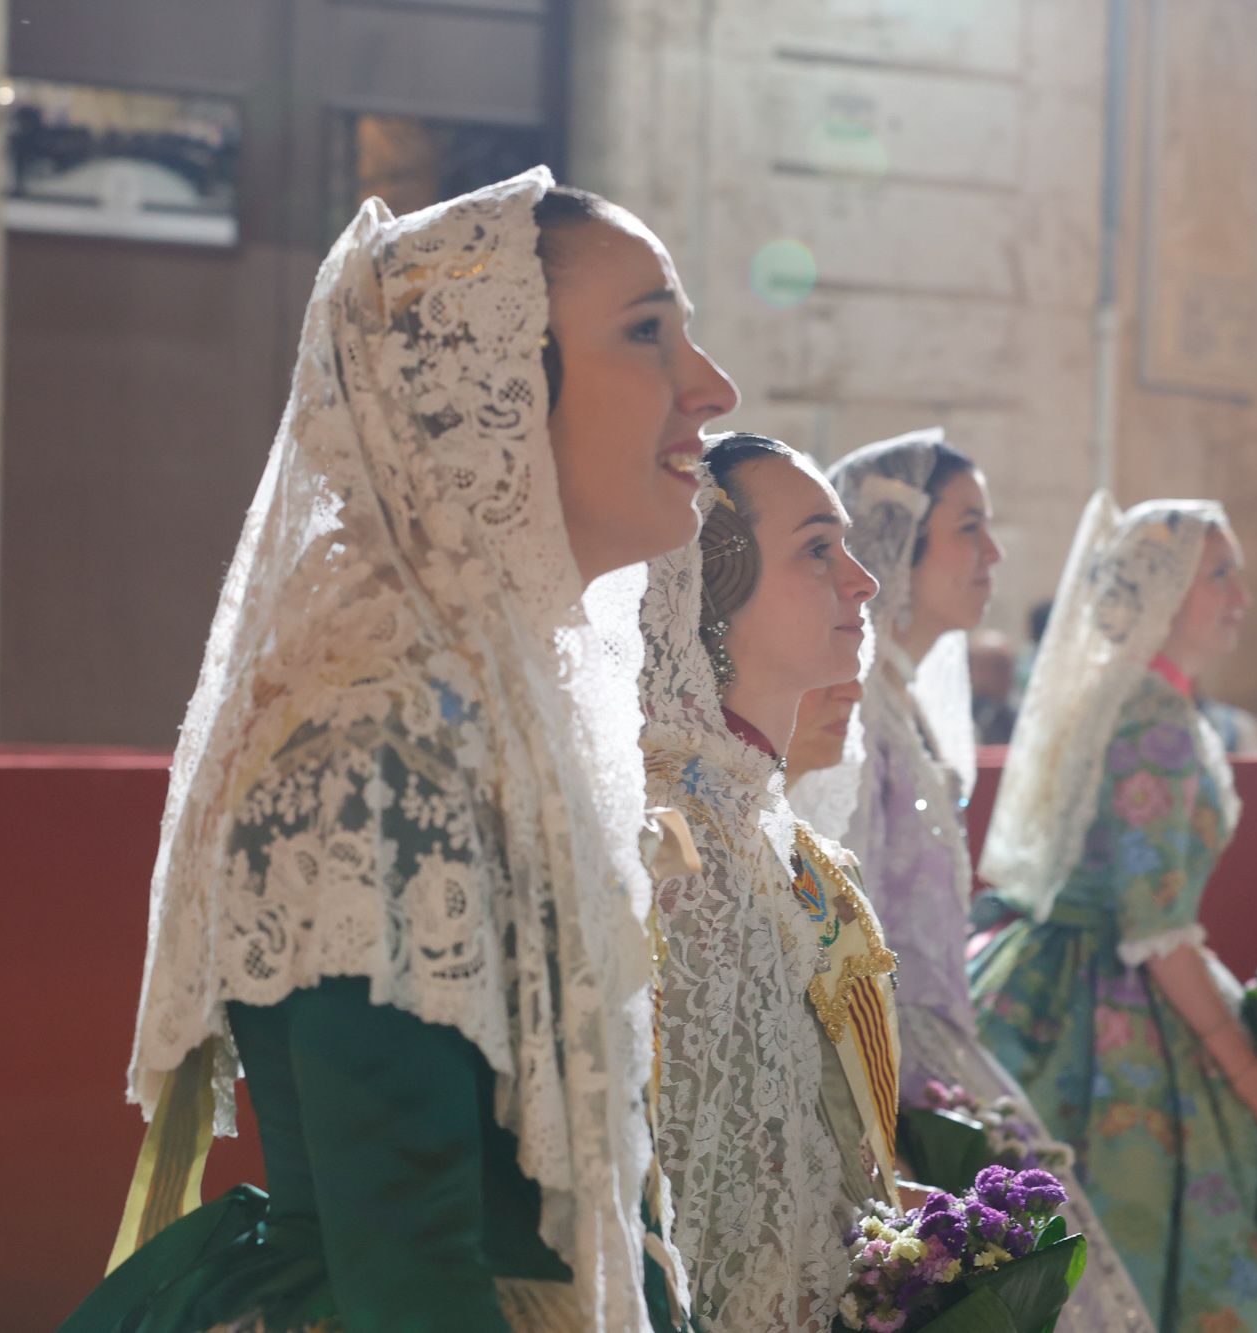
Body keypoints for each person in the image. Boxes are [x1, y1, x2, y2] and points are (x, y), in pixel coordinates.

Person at [61, 169, 739, 1333]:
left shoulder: (501, 706)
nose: (711, 388)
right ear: (481, 389)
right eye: (646, 333)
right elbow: (408, 1264)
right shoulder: (368, 745)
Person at [969, 494, 1257, 1332]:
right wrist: (1244, 1066)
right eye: (1220, 575)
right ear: (1162, 593)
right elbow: (1155, 928)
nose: (1242, 596)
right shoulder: (1153, 719)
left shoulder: (1137, 699)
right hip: (1117, 994)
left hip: (1052, 976)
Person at [787, 433, 1156, 1333]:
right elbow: (830, 933)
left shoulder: (895, 704)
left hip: (939, 1056)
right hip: (893, 1068)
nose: (992, 553)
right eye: (969, 528)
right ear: (895, 545)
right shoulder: (852, 715)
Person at [642, 433, 900, 1332]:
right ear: (715, 593)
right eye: (819, 548)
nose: (862, 581)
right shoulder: (680, 837)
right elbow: (702, 1201)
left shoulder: (755, 814)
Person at [967, 628, 1018, 745]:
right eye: (999, 667)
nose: (1006, 674)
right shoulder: (958, 718)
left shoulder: (1018, 717)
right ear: (971, 670)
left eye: (1009, 666)